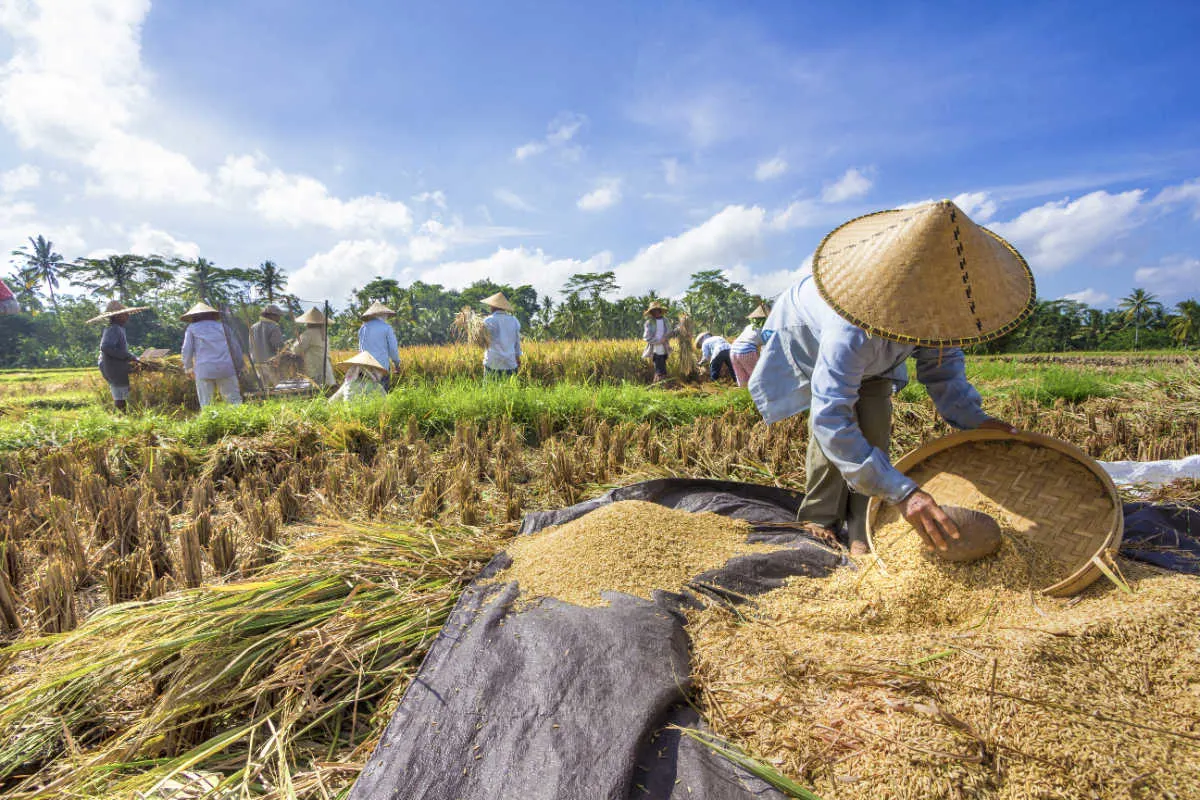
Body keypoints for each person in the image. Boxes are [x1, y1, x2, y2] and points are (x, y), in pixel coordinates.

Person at [749, 199, 1031, 555]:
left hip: (875, 360)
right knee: (834, 432)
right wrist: (905, 492)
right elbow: (831, 416)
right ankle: (819, 520)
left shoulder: (936, 316)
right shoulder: (849, 329)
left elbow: (943, 373)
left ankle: (860, 527)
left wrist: (978, 421)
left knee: (876, 424)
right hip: (807, 335)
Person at [88, 299, 150, 412]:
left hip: (115, 367)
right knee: (121, 396)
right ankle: (123, 418)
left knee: (121, 394)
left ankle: (123, 417)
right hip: (114, 368)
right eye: (124, 314)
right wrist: (129, 356)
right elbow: (106, 347)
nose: (127, 316)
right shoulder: (114, 329)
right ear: (117, 316)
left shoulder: (118, 329)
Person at [181, 302, 244, 408]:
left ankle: (209, 422)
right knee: (234, 401)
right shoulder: (223, 327)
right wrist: (239, 365)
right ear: (212, 315)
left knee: (206, 404)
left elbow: (186, 350)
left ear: (194, 317)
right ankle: (239, 422)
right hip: (226, 367)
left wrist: (188, 368)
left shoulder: (191, 328)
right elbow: (235, 348)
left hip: (204, 369)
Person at [358, 301, 401, 391]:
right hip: (381, 366)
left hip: (365, 366)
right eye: (385, 315)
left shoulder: (363, 328)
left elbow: (361, 348)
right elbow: (393, 349)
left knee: (365, 394)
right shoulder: (386, 328)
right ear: (382, 315)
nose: (386, 317)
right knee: (382, 394)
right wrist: (396, 364)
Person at [291, 307, 336, 387]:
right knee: (326, 387)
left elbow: (297, 349)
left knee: (315, 388)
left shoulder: (308, 333)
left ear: (309, 323)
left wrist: (294, 344)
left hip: (313, 366)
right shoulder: (324, 334)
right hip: (325, 366)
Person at [480, 292, 521, 377]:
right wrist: (517, 358)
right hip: (510, 363)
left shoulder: (487, 321)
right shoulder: (514, 320)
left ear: (493, 306)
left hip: (492, 363)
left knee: (490, 390)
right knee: (510, 390)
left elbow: (482, 341)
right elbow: (517, 342)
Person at [730, 304, 768, 387]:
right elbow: (768, 348)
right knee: (758, 378)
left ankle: (744, 397)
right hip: (746, 349)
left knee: (742, 379)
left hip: (733, 349)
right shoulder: (766, 328)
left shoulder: (749, 326)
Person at [249, 304, 286, 387]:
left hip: (257, 362)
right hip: (271, 363)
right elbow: (278, 345)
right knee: (280, 386)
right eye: (278, 316)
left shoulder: (253, 327)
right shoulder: (274, 327)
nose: (279, 318)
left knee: (264, 388)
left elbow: (251, 346)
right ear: (271, 316)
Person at [641, 301, 673, 383]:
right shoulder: (649, 322)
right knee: (659, 366)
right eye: (653, 311)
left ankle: (660, 384)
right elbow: (646, 336)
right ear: (651, 312)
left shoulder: (665, 320)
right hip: (654, 347)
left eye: (656, 310)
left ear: (659, 310)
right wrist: (657, 341)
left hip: (665, 346)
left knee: (663, 365)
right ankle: (659, 384)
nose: (655, 312)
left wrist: (665, 338)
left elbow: (670, 331)